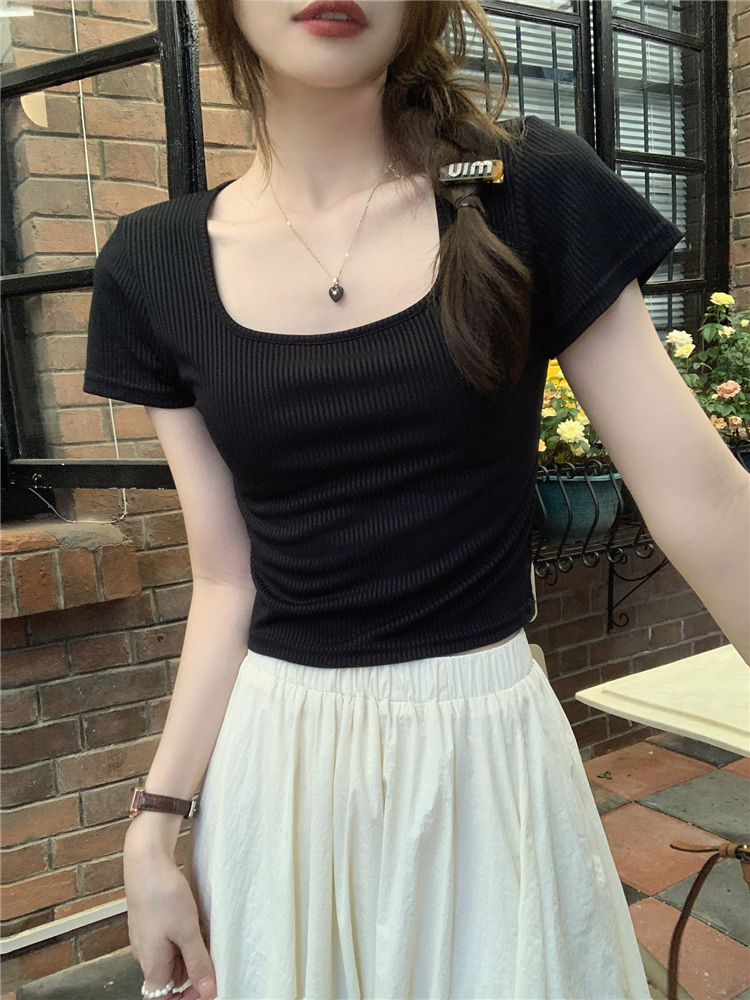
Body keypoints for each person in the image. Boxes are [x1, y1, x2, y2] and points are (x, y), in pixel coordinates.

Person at [82, 2, 750, 998]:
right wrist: (155, 824)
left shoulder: (530, 191)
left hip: (486, 761)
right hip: (280, 774)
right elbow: (227, 579)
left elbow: (708, 505)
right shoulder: (153, 264)